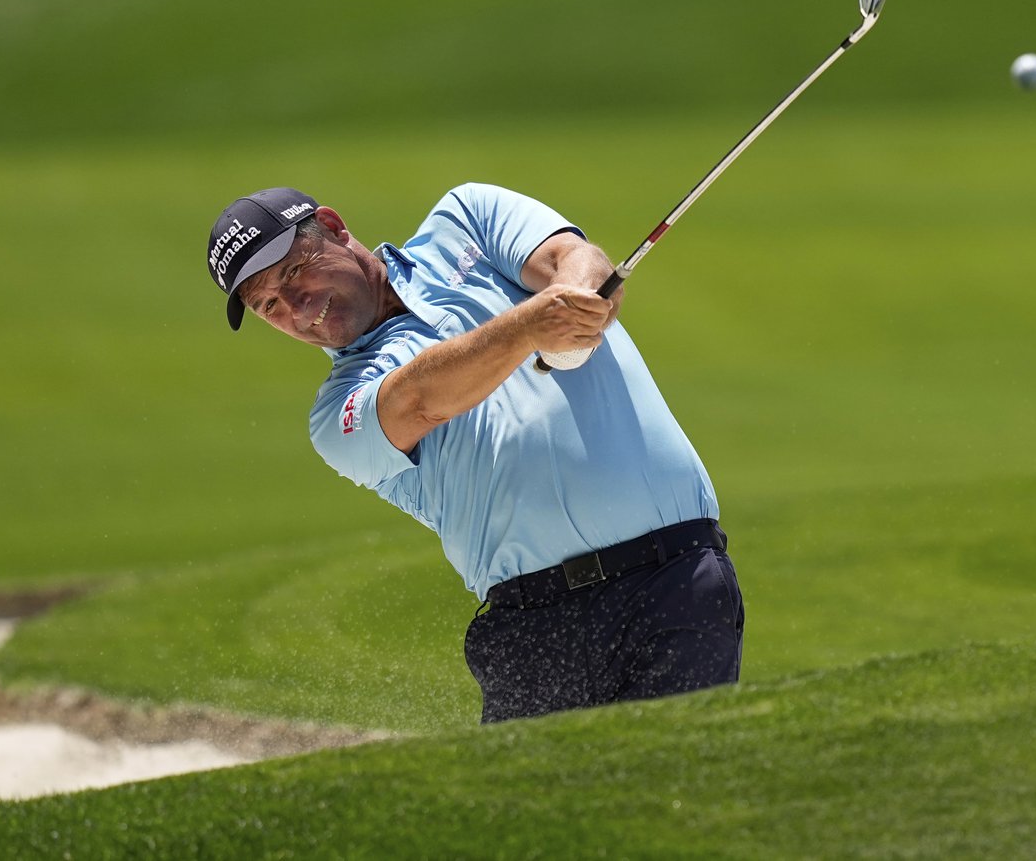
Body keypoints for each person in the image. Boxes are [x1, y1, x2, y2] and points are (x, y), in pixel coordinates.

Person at [205, 183, 744, 723]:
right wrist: (531, 324)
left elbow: (573, 258)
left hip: (674, 582)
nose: (297, 310)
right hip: (533, 630)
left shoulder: (467, 220)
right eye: (269, 305)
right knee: (542, 807)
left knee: (678, 790)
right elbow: (418, 399)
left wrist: (579, 304)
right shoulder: (337, 413)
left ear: (335, 227)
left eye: (295, 272)